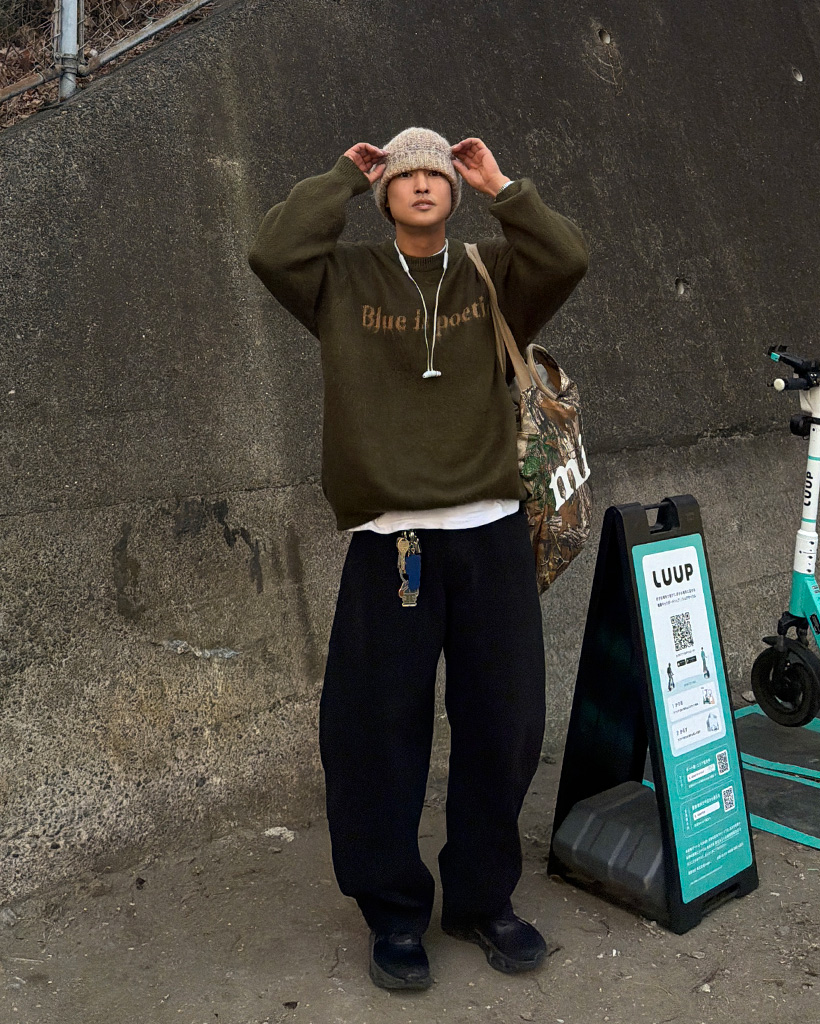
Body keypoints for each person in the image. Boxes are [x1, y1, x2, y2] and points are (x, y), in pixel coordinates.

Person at [248, 128, 588, 990]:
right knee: (374, 733)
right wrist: (342, 175)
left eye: (438, 173)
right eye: (407, 175)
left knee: (506, 723)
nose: (425, 183)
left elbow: (567, 256)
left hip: (492, 532)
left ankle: (482, 899)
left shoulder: (491, 274)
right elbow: (273, 250)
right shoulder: (342, 280)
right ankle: (395, 912)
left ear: (455, 192)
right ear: (387, 194)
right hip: (390, 542)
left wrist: (503, 187)